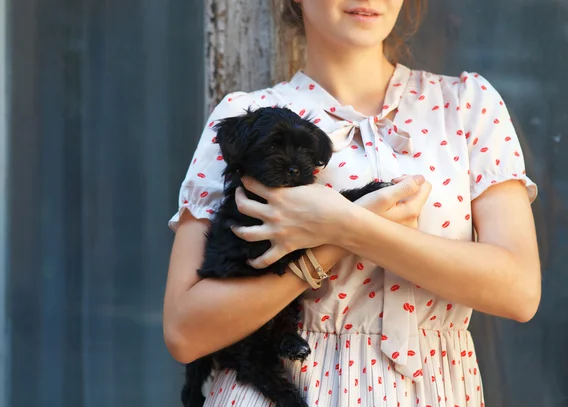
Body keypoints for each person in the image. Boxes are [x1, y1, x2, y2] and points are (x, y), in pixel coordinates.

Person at [163, 1, 541, 406]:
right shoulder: (243, 118)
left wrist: (348, 225)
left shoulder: (468, 106)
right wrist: (328, 246)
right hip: (274, 389)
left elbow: (519, 292)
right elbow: (185, 333)